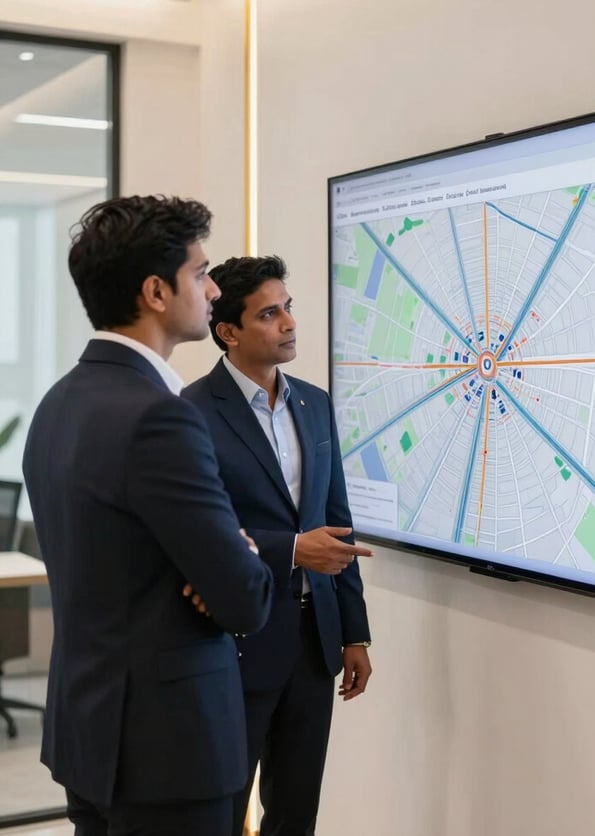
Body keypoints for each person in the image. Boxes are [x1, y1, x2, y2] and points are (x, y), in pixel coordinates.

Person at [22, 196, 274, 836]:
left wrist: (217, 563)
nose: (213, 290)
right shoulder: (160, 417)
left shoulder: (59, 402)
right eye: (201, 273)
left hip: (89, 734)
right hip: (168, 751)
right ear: (156, 292)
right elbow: (245, 598)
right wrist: (240, 553)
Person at [182, 255, 372, 836]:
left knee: (296, 813)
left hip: (315, 645)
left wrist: (355, 633)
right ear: (228, 331)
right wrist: (290, 549)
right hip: (234, 643)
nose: (289, 323)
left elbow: (336, 523)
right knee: (219, 811)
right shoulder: (190, 412)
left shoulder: (315, 403)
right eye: (269, 314)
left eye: (287, 308)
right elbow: (198, 533)